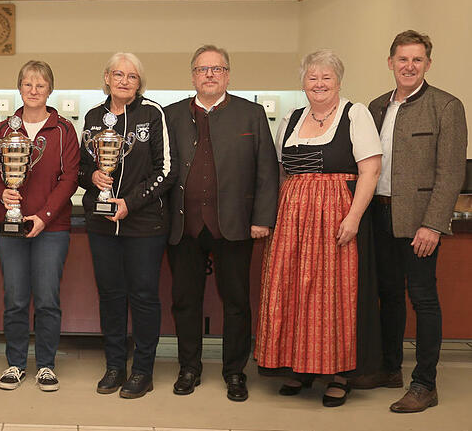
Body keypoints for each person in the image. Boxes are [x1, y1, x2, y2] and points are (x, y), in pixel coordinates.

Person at [255, 50, 382, 407]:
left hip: (336, 215)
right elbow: (282, 171)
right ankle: (300, 366)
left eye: (327, 77)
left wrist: (354, 217)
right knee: (294, 289)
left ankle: (339, 373)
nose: (319, 84)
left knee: (332, 294)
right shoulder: (292, 119)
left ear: (339, 81)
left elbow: (370, 171)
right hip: (293, 217)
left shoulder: (355, 114)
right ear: (303, 83)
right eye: (313, 78)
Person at [352, 30, 467, 413]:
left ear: (428, 65)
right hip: (379, 216)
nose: (409, 66)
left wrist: (433, 224)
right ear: (390, 63)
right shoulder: (376, 106)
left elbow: (450, 173)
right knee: (386, 296)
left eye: (417, 60)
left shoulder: (446, 106)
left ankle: (424, 384)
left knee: (423, 298)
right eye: (403, 59)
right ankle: (389, 368)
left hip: (420, 223)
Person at [163, 45, 279, 402]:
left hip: (235, 226)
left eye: (217, 69)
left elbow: (267, 171)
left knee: (237, 302)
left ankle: (234, 372)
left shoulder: (252, 114)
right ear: (192, 75)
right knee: (185, 301)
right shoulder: (170, 115)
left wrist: (262, 218)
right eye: (202, 69)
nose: (209, 75)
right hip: (183, 227)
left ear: (227, 74)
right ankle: (189, 368)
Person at [79, 53, 176, 399]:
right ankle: (115, 366)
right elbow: (80, 169)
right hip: (102, 225)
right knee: (111, 296)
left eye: (131, 76)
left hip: (144, 226)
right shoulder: (92, 117)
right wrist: (91, 175)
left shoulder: (152, 114)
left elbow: (165, 170)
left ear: (139, 83)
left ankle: (143, 371)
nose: (123, 81)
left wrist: (129, 203)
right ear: (106, 77)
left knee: (145, 297)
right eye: (117, 74)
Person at [0, 60, 80, 392]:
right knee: (14, 297)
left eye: (40, 85)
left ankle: (45, 365)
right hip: (10, 227)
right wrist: (3, 193)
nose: (34, 90)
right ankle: (14, 364)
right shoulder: (3, 130)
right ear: (19, 88)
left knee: (46, 298)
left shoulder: (64, 130)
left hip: (51, 229)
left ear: (50, 90)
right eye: (27, 84)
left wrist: (45, 216)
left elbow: (70, 177)